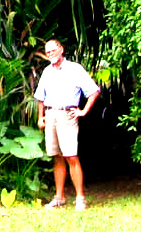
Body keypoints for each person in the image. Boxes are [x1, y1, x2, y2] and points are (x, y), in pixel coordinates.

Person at [34, 39, 100, 211]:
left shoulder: (74, 69)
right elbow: (40, 97)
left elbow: (93, 91)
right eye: (48, 52)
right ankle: (59, 197)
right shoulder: (47, 72)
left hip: (67, 115)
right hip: (51, 115)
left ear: (61, 49)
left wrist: (83, 111)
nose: (51, 54)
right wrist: (41, 117)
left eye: (53, 50)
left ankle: (80, 198)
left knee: (71, 156)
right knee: (56, 156)